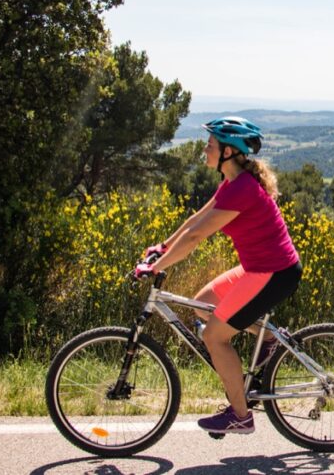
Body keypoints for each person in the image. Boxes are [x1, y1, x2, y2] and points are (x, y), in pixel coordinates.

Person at [135, 116, 301, 435]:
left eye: (210, 145)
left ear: (228, 151)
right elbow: (196, 220)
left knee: (213, 336)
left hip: (274, 272)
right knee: (202, 303)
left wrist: (157, 267)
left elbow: (197, 238)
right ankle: (267, 338)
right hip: (260, 267)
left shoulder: (242, 190)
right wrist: (163, 246)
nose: (205, 149)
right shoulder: (231, 182)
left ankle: (240, 415)